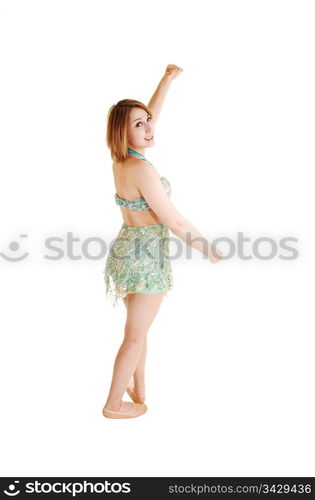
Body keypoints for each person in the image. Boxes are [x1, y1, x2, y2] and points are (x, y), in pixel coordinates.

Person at [102, 64, 223, 419]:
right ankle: (112, 405)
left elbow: (149, 116)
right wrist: (209, 250)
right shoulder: (143, 170)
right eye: (139, 125)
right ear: (124, 133)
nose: (149, 127)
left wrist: (166, 81)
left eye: (148, 120)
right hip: (145, 258)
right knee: (134, 336)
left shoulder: (121, 159)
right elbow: (172, 220)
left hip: (128, 249)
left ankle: (138, 390)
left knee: (139, 330)